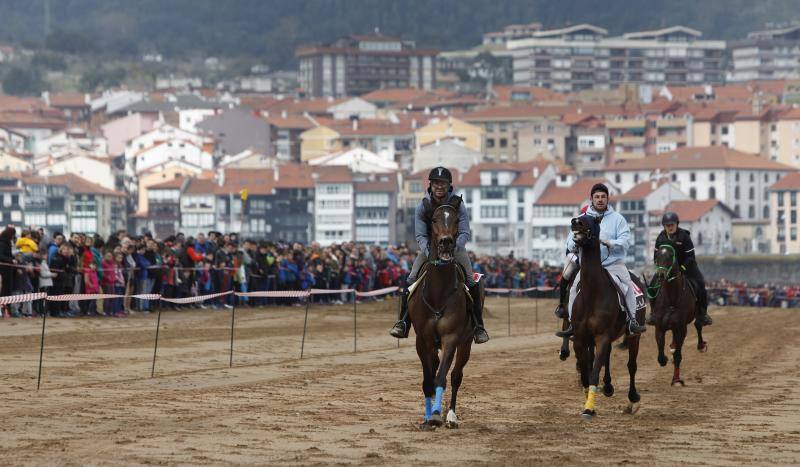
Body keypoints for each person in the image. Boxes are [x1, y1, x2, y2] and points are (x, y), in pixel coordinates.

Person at [389, 166, 489, 344]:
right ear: (431, 185)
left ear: (449, 185)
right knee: (411, 280)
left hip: (455, 249)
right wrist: (430, 252)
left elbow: (465, 232)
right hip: (430, 248)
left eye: (442, 183)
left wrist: (453, 248)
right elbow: (420, 235)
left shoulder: (459, 204)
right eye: (436, 183)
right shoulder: (423, 206)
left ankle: (478, 326)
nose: (439, 186)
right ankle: (403, 322)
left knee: (470, 281)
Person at [557, 183, 647, 337]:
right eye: (597, 197)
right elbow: (569, 243)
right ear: (591, 199)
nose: (600, 200)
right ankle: (572, 325)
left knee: (628, 287)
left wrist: (609, 242)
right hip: (589, 267)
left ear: (607, 199)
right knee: (573, 290)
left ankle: (632, 322)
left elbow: (625, 241)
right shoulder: (580, 219)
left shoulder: (618, 219)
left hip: (613, 264)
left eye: (603, 197)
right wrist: (576, 241)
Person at [648, 211, 713, 326]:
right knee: (652, 286)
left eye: (672, 225)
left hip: (687, 267)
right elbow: (656, 255)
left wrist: (682, 268)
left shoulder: (684, 236)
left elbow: (691, 257)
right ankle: (653, 313)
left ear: (677, 224)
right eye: (667, 225)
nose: (670, 227)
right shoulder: (661, 237)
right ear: (664, 226)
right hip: (666, 268)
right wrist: (659, 267)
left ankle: (702, 314)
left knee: (701, 284)